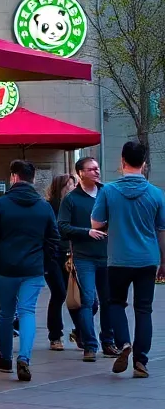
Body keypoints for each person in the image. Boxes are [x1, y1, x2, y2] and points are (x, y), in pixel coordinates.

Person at [91, 140, 165, 378]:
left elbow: (96, 223)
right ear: (144, 163)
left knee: (115, 303)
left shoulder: (108, 191)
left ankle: (123, 342)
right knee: (144, 310)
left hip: (118, 259)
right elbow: (162, 230)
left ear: (122, 161)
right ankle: (141, 361)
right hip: (147, 259)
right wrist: (164, 261)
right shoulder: (156, 194)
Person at [0, 160, 59, 382]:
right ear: (33, 179)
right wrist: (44, 264)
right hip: (33, 268)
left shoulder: (1, 204)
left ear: (13, 177)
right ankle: (24, 357)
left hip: (6, 268)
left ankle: (5, 358)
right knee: (27, 312)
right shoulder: (44, 207)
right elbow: (54, 240)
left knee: (6, 314)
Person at [59, 156, 118, 360]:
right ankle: (90, 346)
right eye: (91, 169)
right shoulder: (72, 199)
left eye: (97, 168)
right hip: (84, 258)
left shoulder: (106, 193)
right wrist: (87, 232)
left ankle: (108, 342)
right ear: (81, 173)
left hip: (108, 256)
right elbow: (63, 227)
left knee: (108, 301)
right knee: (88, 301)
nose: (96, 172)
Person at [43, 173, 79, 351]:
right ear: (60, 188)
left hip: (71, 255)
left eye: (73, 185)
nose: (72, 188)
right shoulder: (49, 207)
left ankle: (80, 331)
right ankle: (55, 336)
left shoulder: (74, 205)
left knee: (76, 295)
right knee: (59, 293)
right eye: (69, 185)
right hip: (53, 256)